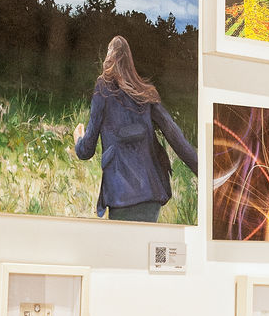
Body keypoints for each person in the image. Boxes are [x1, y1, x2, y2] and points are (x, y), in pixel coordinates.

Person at [73, 35, 199, 222]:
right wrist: (204, 172)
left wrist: (78, 139)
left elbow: (86, 150)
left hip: (120, 194)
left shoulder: (103, 88)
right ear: (129, 61)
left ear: (110, 57)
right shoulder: (146, 93)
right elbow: (176, 137)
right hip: (151, 193)